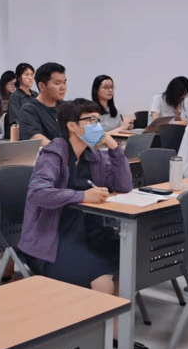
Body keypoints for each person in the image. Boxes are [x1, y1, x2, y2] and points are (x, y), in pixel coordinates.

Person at [18, 99, 132, 302]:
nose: (97, 126)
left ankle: (113, 321)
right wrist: (82, 196)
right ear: (72, 126)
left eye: (98, 120)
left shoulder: (93, 155)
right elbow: (38, 192)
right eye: (91, 120)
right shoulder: (53, 153)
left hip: (89, 231)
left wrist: (114, 147)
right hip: (52, 238)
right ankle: (101, 320)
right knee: (103, 281)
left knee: (129, 263)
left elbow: (124, 185)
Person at [19, 62, 66, 146]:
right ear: (42, 86)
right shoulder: (29, 110)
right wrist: (62, 151)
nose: (63, 88)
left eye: (64, 82)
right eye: (58, 83)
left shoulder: (67, 107)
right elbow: (36, 138)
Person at [7, 62, 36, 127]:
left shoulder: (36, 95)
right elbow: (16, 119)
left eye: (32, 75)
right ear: (18, 77)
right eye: (27, 75)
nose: (30, 78)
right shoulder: (14, 96)